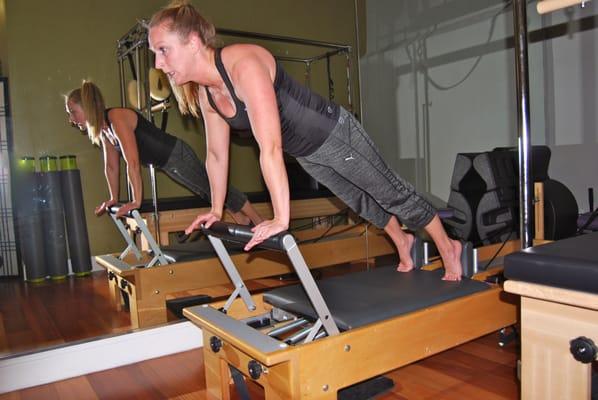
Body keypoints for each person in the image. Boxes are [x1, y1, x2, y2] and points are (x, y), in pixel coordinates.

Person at [147, 2, 463, 280]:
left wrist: (281, 218)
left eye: (163, 50)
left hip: (333, 132)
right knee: (359, 201)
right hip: (307, 153)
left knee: (388, 191)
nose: (159, 65)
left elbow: (269, 147)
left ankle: (447, 245)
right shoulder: (207, 94)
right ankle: (402, 241)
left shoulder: (243, 65)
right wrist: (216, 209)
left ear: (192, 41)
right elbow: (216, 155)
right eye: (155, 54)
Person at [64, 80, 262, 225]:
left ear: (87, 107)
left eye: (73, 112)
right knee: (208, 190)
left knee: (212, 188)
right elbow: (111, 166)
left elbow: (131, 163)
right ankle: (242, 218)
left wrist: (136, 201)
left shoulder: (116, 117)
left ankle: (257, 220)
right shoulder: (104, 130)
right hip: (168, 162)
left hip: (176, 155)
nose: (71, 120)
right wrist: (113, 198)